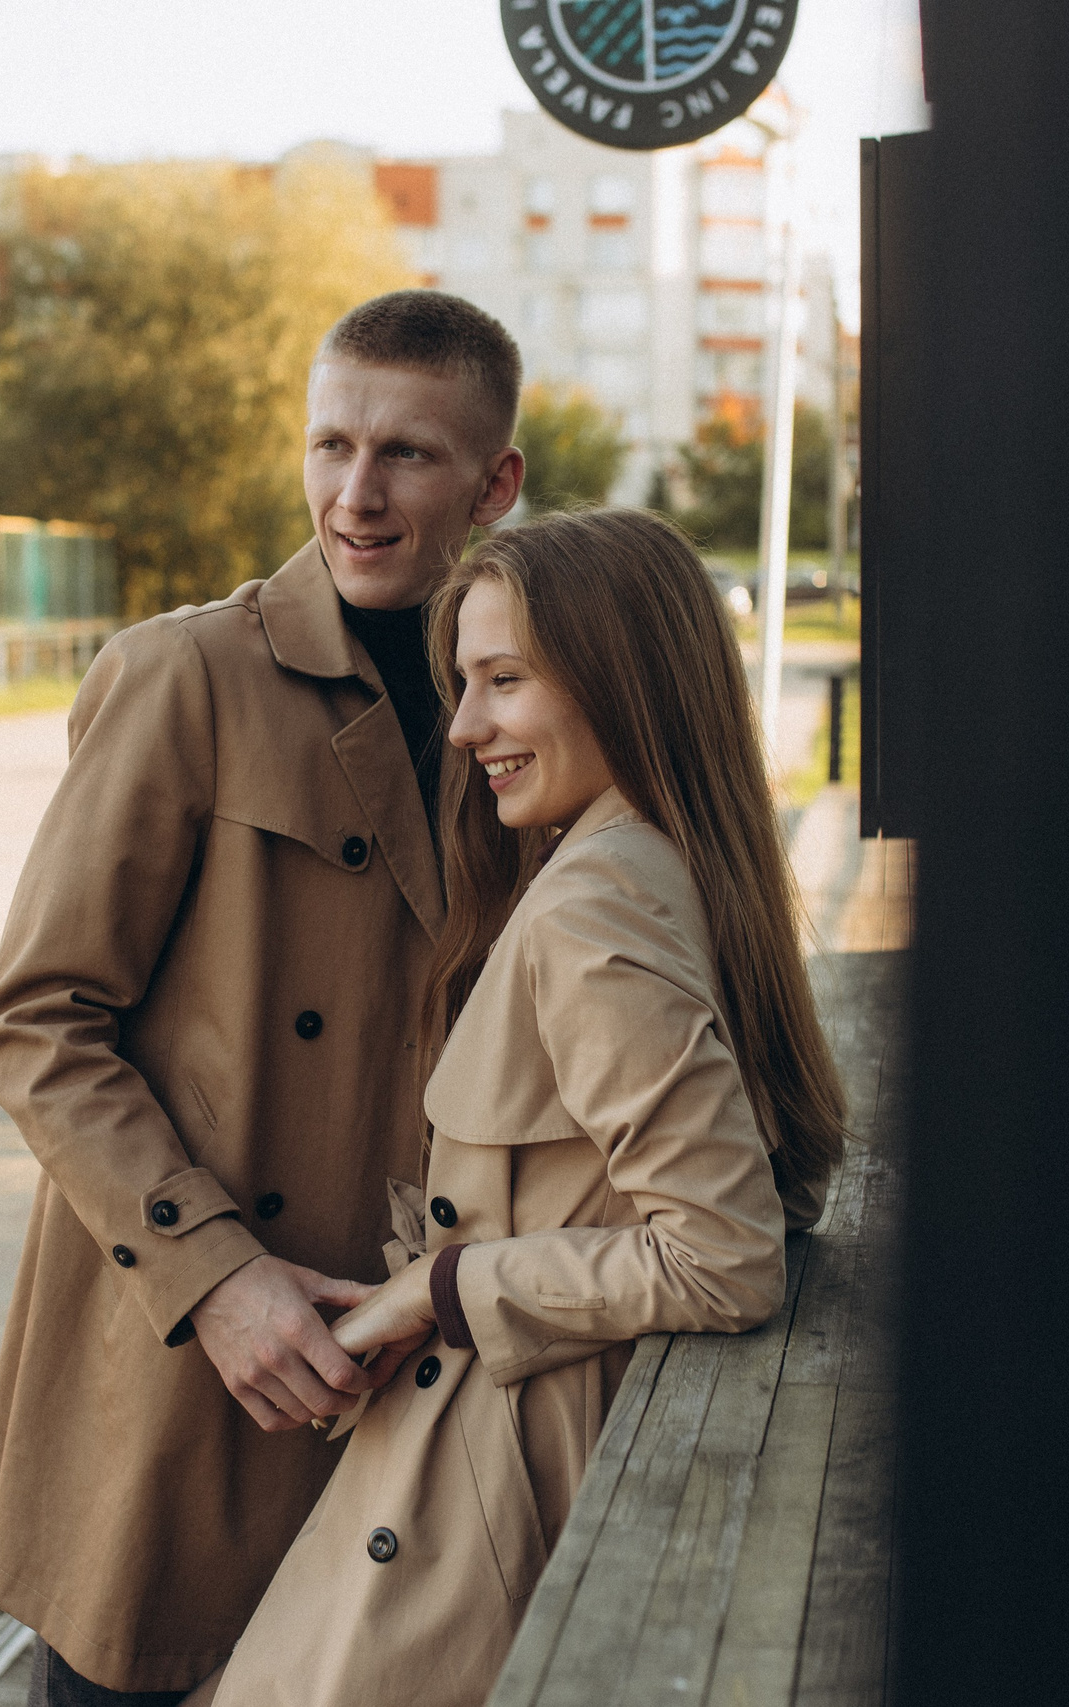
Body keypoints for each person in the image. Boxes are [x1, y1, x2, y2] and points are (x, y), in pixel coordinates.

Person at [0, 291, 527, 1705]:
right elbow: (36, 1020)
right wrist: (216, 1276)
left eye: (405, 452)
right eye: (330, 443)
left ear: (495, 482)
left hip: (412, 1354)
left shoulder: (526, 701)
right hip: (194, 1367)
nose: (357, 493)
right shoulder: (181, 676)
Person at [196, 507, 848, 1707]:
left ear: (623, 684)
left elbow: (726, 1256)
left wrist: (437, 1286)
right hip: (506, 1451)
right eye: (462, 682)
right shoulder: (671, 859)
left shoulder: (592, 910)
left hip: (485, 1492)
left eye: (504, 681)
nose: (465, 727)